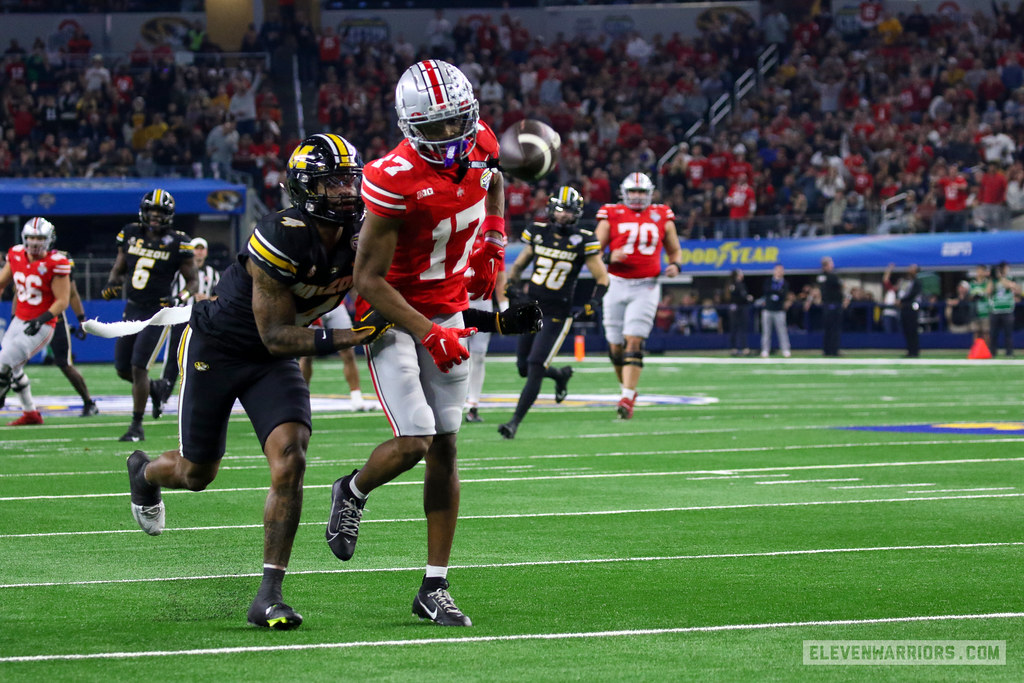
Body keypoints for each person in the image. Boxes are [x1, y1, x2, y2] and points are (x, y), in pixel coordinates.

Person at [125, 133, 378, 630]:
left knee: (292, 456)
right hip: (223, 348)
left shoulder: (365, 232)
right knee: (197, 475)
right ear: (306, 188)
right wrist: (352, 335)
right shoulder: (281, 233)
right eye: (332, 183)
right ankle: (145, 472)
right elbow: (277, 335)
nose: (347, 191)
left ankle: (269, 593)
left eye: (351, 178)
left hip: (270, 360)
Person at [325, 60, 536, 627]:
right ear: (410, 125)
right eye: (435, 128)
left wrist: (494, 236)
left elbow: (493, 182)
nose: (450, 137)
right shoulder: (392, 176)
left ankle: (434, 585)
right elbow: (368, 279)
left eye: (456, 124)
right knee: (416, 438)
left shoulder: (481, 140)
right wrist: (426, 330)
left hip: (449, 305)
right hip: (391, 313)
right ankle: (352, 488)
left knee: (446, 445)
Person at [499, 186, 608, 439]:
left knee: (536, 365)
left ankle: (514, 422)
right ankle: (559, 375)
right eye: (559, 210)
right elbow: (519, 264)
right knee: (523, 367)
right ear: (550, 209)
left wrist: (594, 302)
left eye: (569, 211)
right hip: (532, 306)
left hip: (558, 312)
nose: (563, 216)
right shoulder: (538, 232)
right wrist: (512, 285)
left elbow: (602, 277)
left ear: (577, 214)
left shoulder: (584, 239)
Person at [102, 190, 198, 442]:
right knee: (122, 368)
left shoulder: (180, 241)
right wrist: (112, 284)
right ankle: (156, 388)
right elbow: (119, 268)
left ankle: (136, 425)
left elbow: (193, 282)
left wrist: (180, 298)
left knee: (138, 366)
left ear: (169, 216)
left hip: (158, 311)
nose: (154, 218)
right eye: (151, 213)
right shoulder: (131, 233)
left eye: (160, 214)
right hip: (132, 308)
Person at [595, 172, 683, 419]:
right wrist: (609, 257)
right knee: (615, 346)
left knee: (633, 340)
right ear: (624, 193)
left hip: (646, 285)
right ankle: (628, 390)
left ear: (649, 194)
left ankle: (626, 396)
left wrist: (676, 266)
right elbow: (593, 250)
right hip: (615, 282)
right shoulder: (610, 213)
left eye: (641, 192)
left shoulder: (662, 214)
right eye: (632, 192)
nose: (636, 196)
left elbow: (675, 250)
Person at [0, 218, 71, 425]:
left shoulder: (56, 262)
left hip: (42, 325)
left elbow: (63, 301)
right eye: (31, 237)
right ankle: (31, 413)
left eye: (39, 238)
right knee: (12, 367)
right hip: (19, 320)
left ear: (49, 240)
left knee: (3, 363)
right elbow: (2, 282)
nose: (34, 242)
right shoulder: (15, 254)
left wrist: (41, 320)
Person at [154, 236, 220, 418]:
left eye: (201, 248)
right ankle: (162, 398)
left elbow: (220, 297)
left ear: (205, 252)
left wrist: (207, 300)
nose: (198, 252)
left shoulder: (213, 273)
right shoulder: (179, 272)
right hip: (181, 318)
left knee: (206, 360)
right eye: (195, 248)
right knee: (173, 359)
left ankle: (208, 399)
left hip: (205, 321)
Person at [298, 296, 376, 412]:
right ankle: (302, 399)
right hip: (312, 304)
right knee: (307, 354)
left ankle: (356, 398)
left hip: (336, 304)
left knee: (348, 350)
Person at [464, 258, 508, 424]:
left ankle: (473, 404)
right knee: (455, 355)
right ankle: (452, 402)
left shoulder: (492, 237)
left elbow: (500, 277)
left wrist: (505, 310)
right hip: (456, 302)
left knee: (479, 356)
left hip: (482, 303)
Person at [50, 274, 99, 416]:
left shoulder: (60, 260)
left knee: (64, 364)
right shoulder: (21, 258)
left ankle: (88, 402)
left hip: (53, 319)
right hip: (28, 316)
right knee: (11, 361)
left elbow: (71, 292)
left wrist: (81, 319)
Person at [887, 262, 922, 357]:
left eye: (912, 268)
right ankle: (910, 350)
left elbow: (912, 294)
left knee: (912, 330)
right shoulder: (905, 281)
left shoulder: (917, 282)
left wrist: (901, 301)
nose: (909, 269)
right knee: (906, 330)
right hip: (904, 308)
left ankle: (914, 351)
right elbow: (901, 292)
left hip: (911, 308)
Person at [760, 263, 791, 358]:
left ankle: (785, 349)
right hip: (768, 309)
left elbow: (784, 294)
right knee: (766, 331)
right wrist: (777, 292)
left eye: (781, 270)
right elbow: (767, 291)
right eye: (777, 270)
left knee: (782, 331)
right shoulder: (769, 281)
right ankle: (765, 350)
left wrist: (776, 293)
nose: (779, 272)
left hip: (779, 310)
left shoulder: (784, 283)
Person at [990, 261, 1018, 356]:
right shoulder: (993, 280)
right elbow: (988, 291)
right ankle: (993, 352)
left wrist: (1001, 277)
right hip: (995, 310)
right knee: (993, 334)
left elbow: (1012, 286)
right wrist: (992, 278)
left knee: (1008, 334)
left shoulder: (1009, 278)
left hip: (1007, 310)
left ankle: (1009, 353)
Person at [818, 256, 844, 356]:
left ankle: (833, 349)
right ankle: (828, 350)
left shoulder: (831, 276)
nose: (832, 265)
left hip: (834, 304)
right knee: (830, 329)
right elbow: (839, 285)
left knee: (834, 329)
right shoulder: (827, 276)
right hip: (830, 304)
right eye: (830, 263)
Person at [727, 268, 753, 356]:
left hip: (741, 308)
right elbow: (738, 297)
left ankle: (743, 348)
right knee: (736, 328)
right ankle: (736, 348)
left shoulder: (739, 284)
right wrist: (747, 298)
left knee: (742, 328)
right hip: (738, 308)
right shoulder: (734, 285)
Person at [969, 264, 993, 350]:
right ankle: (976, 351)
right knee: (976, 332)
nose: (979, 273)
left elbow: (988, 292)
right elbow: (970, 296)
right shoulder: (972, 283)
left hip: (985, 311)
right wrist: (974, 296)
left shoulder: (987, 282)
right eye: (978, 271)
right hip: (975, 311)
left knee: (986, 332)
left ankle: (987, 350)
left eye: (981, 271)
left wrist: (981, 294)